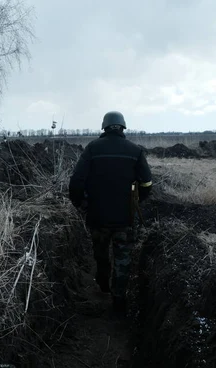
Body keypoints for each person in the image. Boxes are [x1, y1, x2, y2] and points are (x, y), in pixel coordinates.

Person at [68, 111, 152, 315]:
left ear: (104, 127)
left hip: (98, 217)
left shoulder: (92, 149)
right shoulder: (135, 151)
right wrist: (136, 201)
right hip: (125, 218)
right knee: (123, 258)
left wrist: (80, 203)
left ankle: (103, 281)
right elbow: (147, 183)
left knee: (101, 253)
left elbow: (76, 181)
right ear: (123, 127)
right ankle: (119, 298)